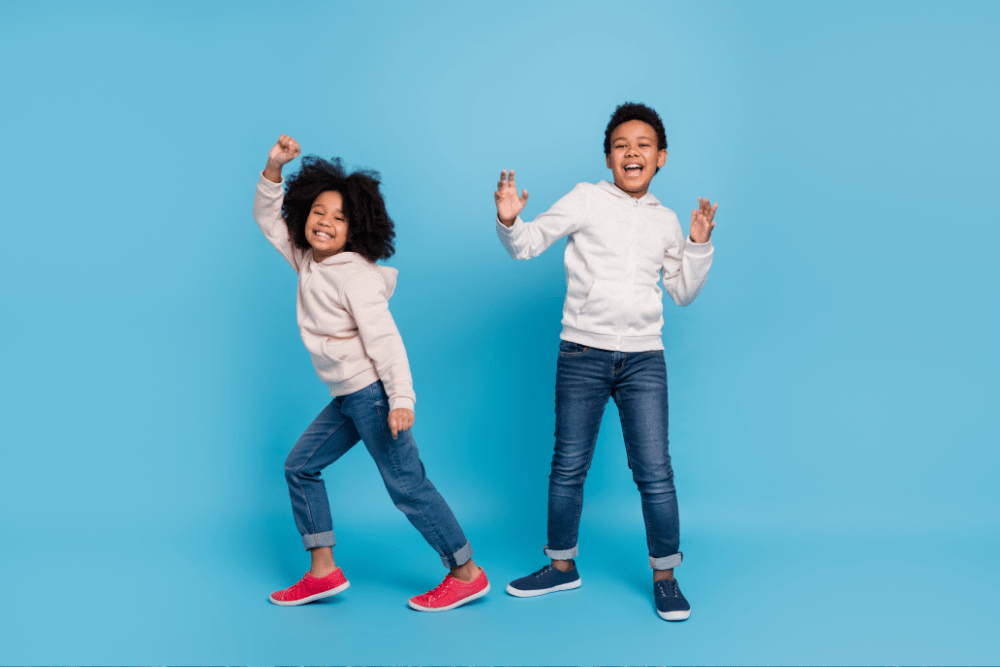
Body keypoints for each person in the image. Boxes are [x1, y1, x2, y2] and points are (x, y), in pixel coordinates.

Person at [495, 103, 717, 621]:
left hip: (644, 359)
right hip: (581, 352)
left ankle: (665, 575)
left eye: (643, 145)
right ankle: (561, 566)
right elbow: (527, 245)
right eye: (621, 145)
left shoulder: (665, 220)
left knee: (654, 469)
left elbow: (682, 292)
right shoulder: (586, 199)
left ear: (660, 157)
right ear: (609, 157)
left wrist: (698, 246)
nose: (631, 152)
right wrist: (509, 219)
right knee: (568, 464)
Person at [254, 134, 489, 612]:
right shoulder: (306, 259)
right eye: (319, 211)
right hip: (347, 397)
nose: (325, 222)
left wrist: (402, 400)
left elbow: (386, 341)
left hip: (375, 396)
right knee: (300, 467)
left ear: (355, 229)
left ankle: (466, 573)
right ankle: (323, 572)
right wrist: (273, 168)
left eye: (339, 218)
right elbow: (267, 220)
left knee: (406, 485)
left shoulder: (356, 275)